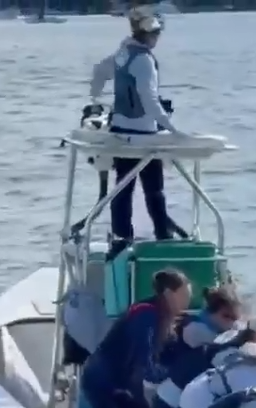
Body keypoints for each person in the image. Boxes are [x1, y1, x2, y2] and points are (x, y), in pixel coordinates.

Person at [81, 268, 192, 408]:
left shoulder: (166, 317)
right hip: (99, 378)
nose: (188, 301)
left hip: (121, 381)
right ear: (169, 294)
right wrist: (167, 380)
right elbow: (145, 361)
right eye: (185, 296)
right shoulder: (146, 314)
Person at [89, 8, 186, 242]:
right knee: (155, 189)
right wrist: (172, 129)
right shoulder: (143, 60)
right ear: (151, 35)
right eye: (157, 34)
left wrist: (95, 98)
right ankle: (163, 234)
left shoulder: (123, 54)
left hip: (121, 132)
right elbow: (149, 100)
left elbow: (99, 71)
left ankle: (122, 235)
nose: (158, 39)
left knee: (123, 187)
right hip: (143, 135)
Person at [153, 286, 242, 408]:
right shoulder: (196, 330)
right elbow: (221, 346)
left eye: (235, 318)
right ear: (211, 313)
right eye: (226, 317)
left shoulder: (215, 327)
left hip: (179, 396)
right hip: (170, 402)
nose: (231, 323)